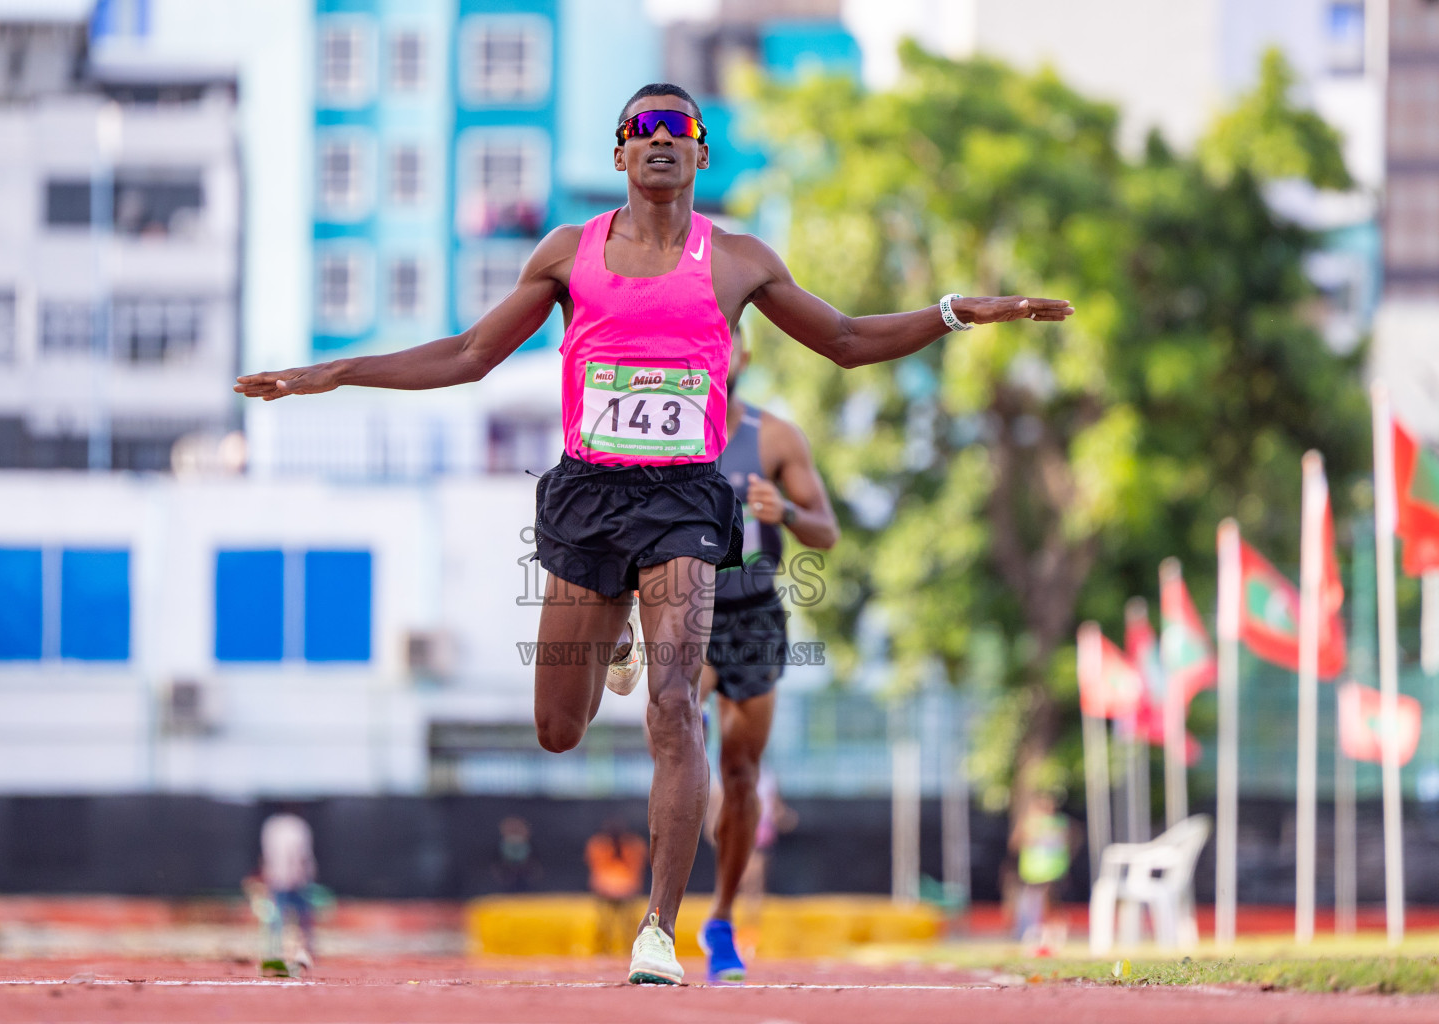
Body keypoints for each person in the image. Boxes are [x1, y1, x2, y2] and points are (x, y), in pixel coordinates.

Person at [235, 82, 1074, 984]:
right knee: (559, 727)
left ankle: (658, 931)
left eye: (681, 128)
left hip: (684, 500)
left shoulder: (739, 260)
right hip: (588, 495)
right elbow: (470, 354)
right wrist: (338, 372)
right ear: (621, 154)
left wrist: (956, 313)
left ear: (701, 153)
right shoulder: (570, 254)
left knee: (675, 710)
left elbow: (845, 338)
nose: (663, 140)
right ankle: (617, 639)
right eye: (644, 128)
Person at [696, 325, 835, 982]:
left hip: (753, 611)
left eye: (724, 342)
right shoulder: (661, 430)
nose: (713, 352)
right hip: (684, 604)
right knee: (671, 717)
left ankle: (720, 919)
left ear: (742, 355)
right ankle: (659, 919)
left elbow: (827, 532)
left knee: (743, 775)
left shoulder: (775, 437)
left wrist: (784, 513)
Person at [1009, 791, 1071, 953]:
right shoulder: (1030, 823)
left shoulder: (1058, 823)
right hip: (1034, 872)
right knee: (1033, 904)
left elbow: (1067, 841)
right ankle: (1033, 934)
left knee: (1051, 904)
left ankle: (1052, 935)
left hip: (1052, 871)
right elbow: (1016, 843)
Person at [259, 808, 317, 969]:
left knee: (287, 916)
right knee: (285, 916)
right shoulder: (290, 827)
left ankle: (278, 951)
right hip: (288, 878)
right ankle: (280, 951)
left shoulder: (277, 827)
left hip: (284, 878)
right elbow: (298, 855)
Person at [585, 819, 650, 955]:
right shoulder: (601, 845)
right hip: (620, 888)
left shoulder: (601, 844)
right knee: (611, 924)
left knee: (616, 924)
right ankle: (619, 950)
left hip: (615, 888)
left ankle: (608, 951)